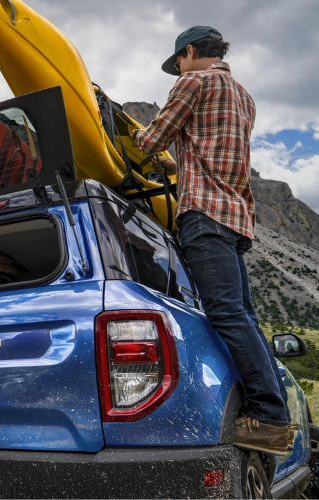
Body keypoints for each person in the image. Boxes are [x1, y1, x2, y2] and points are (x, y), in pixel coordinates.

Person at [130, 26, 292, 455]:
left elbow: (150, 141)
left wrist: (135, 138)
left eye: (177, 63)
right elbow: (210, 146)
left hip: (203, 213)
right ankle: (276, 411)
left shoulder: (194, 82)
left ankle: (269, 418)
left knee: (225, 316)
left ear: (188, 52)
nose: (177, 71)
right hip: (237, 217)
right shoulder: (244, 96)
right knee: (244, 317)